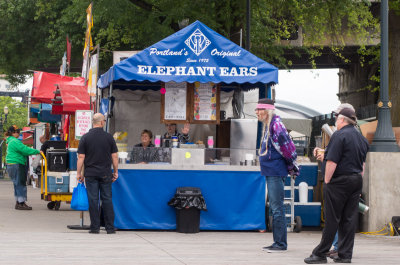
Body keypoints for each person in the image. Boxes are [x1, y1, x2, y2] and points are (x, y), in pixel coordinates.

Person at [304, 107, 369, 264]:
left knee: (332, 218)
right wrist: (358, 183)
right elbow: (362, 165)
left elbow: (332, 161)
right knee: (349, 218)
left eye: (336, 119)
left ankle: (320, 253)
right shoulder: (361, 138)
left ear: (342, 120)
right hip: (356, 180)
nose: (335, 122)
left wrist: (327, 181)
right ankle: (345, 254)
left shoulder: (339, 135)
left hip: (338, 181)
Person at [255, 98, 299, 253]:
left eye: (259, 109)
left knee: (277, 208)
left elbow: (288, 150)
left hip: (275, 171)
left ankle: (280, 243)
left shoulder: (276, 125)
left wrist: (292, 166)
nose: (257, 112)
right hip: (271, 171)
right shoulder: (270, 125)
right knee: (275, 208)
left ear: (267, 111)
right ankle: (278, 242)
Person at [77, 113, 119, 234]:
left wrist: (79, 173)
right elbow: (114, 156)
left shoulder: (85, 137)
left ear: (93, 122)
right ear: (102, 122)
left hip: (90, 174)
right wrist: (115, 171)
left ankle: (95, 227)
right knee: (107, 199)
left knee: (93, 200)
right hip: (105, 173)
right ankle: (110, 228)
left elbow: (81, 157)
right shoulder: (109, 137)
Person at [5, 125, 40, 210]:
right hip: (17, 164)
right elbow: (25, 150)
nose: (19, 133)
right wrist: (37, 151)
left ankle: (18, 202)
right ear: (13, 133)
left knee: (17, 184)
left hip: (11, 164)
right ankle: (21, 203)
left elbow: (23, 150)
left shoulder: (10, 141)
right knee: (20, 183)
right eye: (17, 132)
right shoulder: (14, 141)